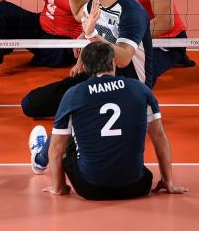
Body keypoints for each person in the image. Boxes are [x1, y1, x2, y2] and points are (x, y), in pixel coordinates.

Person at [27, 42, 188, 200]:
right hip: (138, 187)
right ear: (113, 62)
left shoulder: (74, 94)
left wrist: (59, 187)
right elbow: (159, 137)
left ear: (84, 66)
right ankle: (163, 180)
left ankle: (39, 160)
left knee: (65, 135)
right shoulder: (139, 88)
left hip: (90, 189)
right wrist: (168, 182)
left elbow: (56, 148)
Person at [20, 0, 154, 118]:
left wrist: (91, 34)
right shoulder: (94, 3)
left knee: (86, 118)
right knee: (32, 103)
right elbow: (78, 12)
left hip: (128, 85)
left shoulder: (131, 11)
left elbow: (123, 58)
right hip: (98, 75)